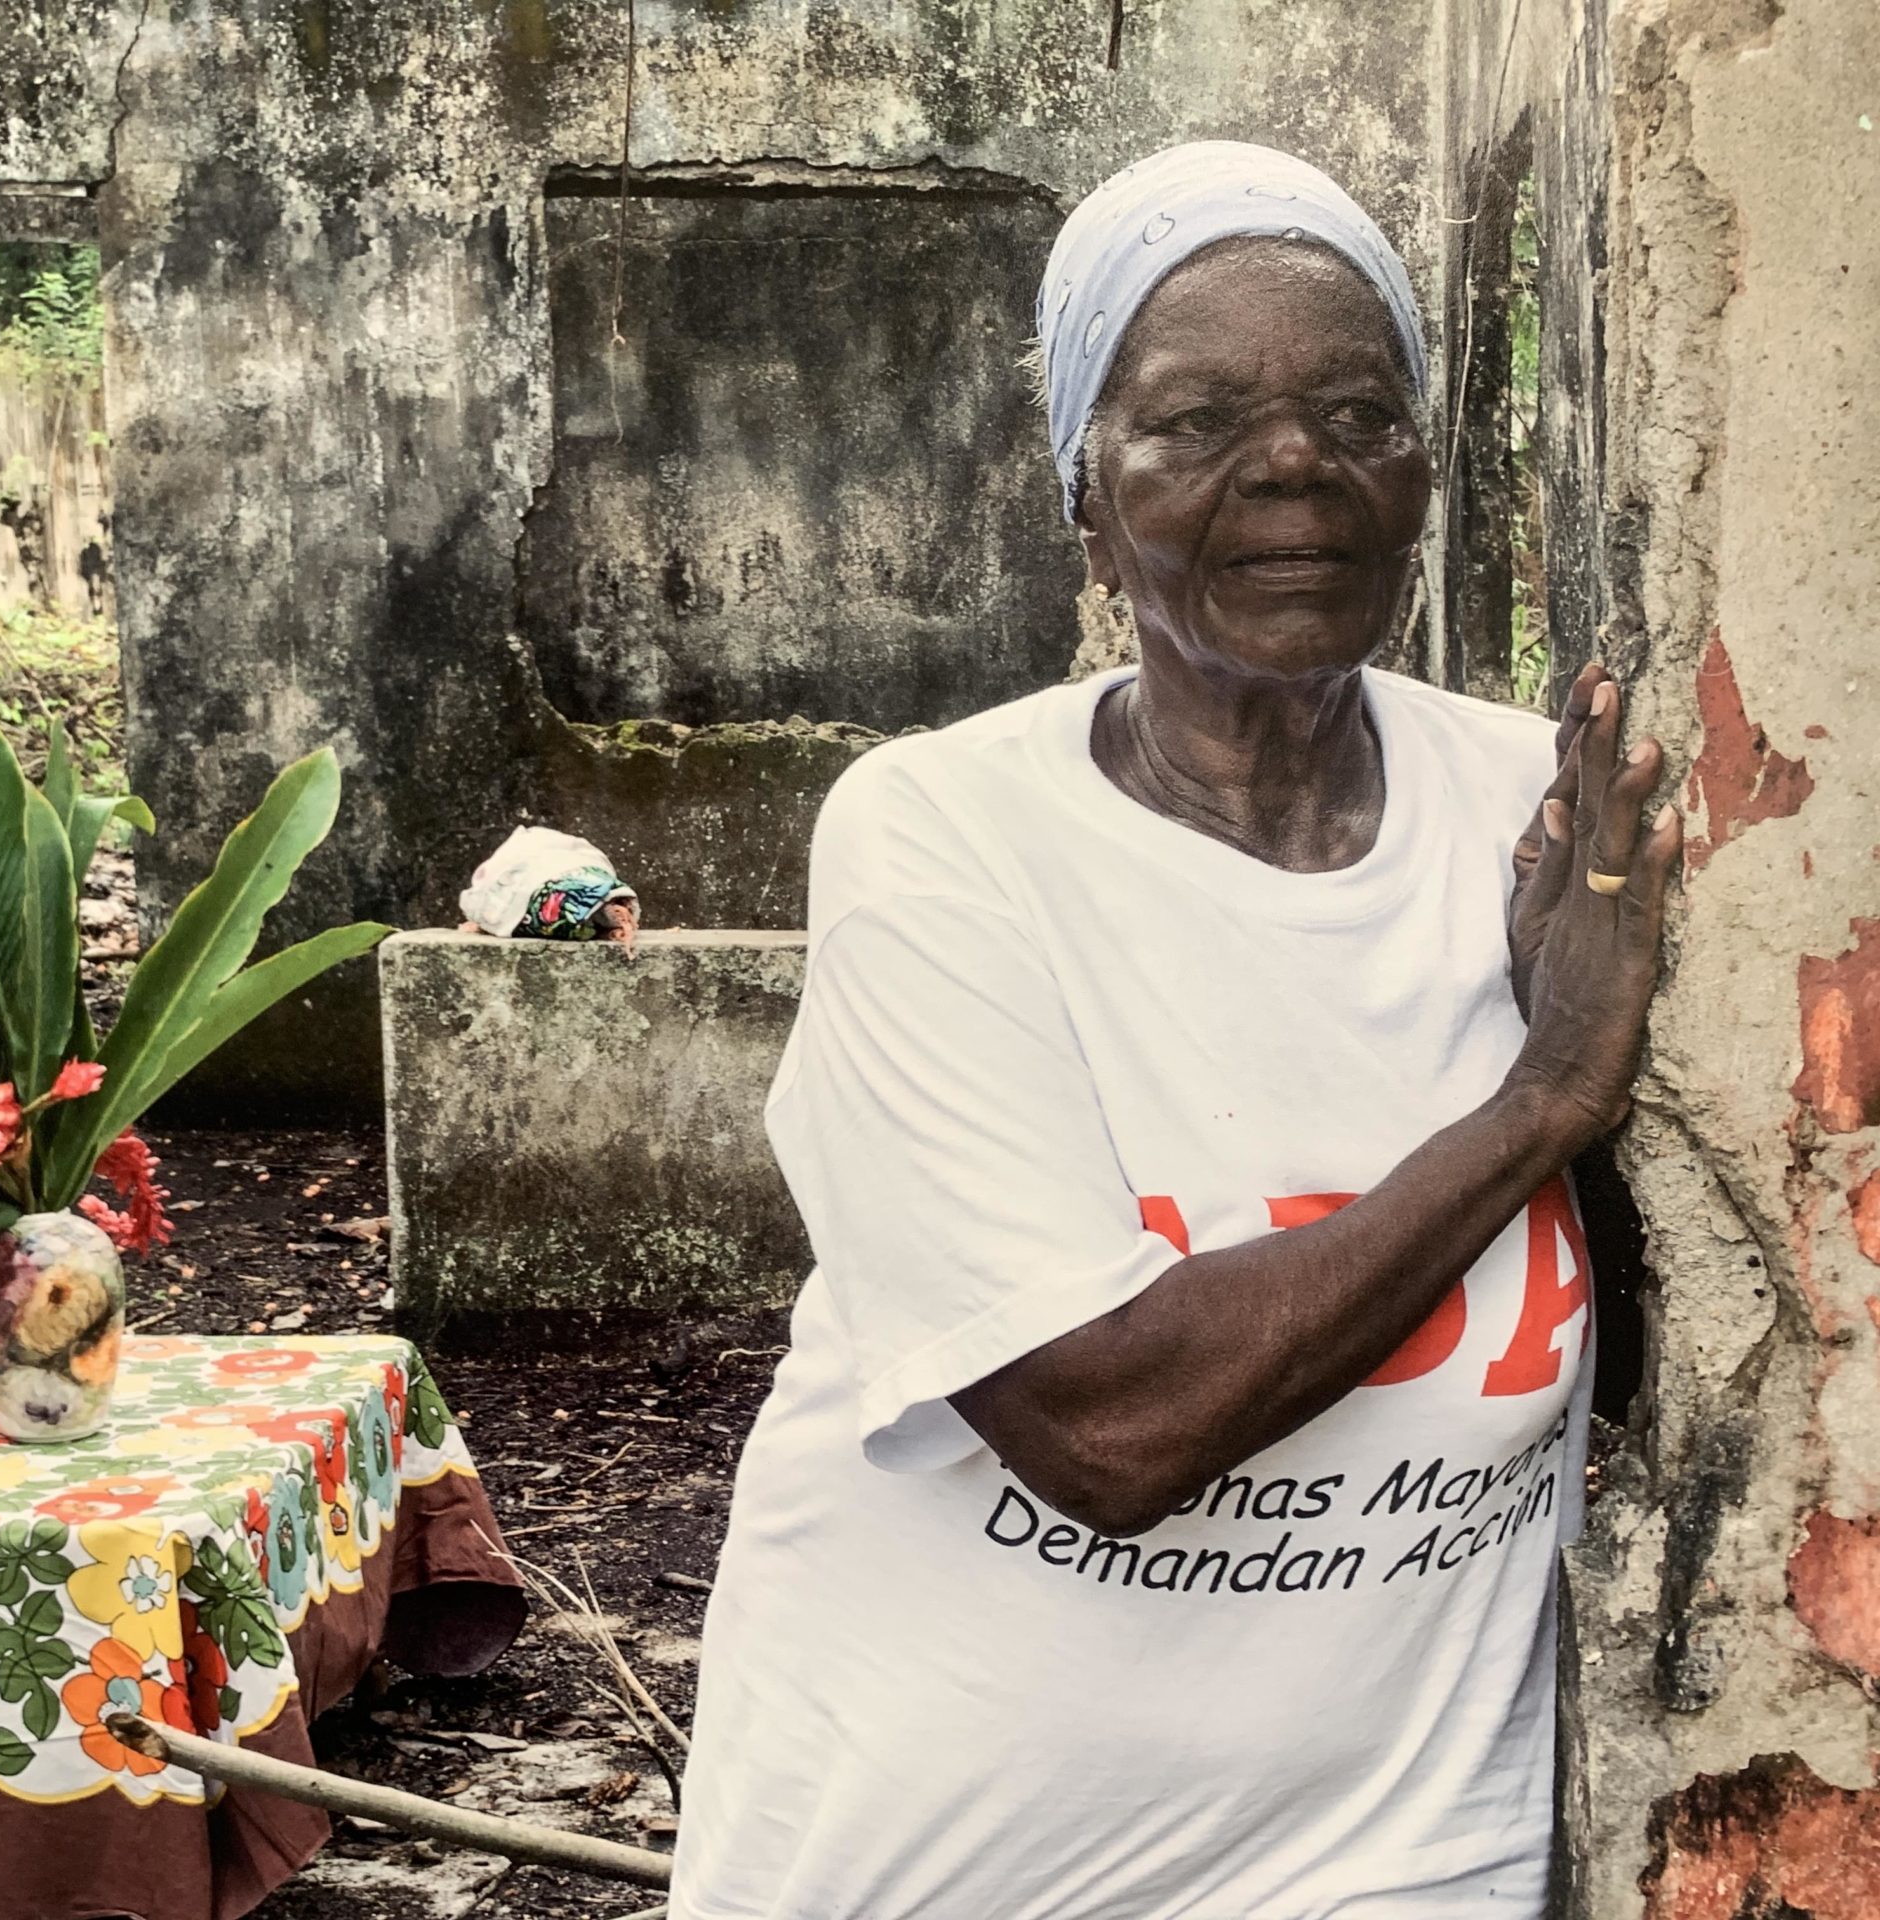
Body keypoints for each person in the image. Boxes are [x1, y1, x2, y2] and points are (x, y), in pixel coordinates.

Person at [672, 142, 1676, 1920]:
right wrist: (1537, 1107)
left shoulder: (1537, 806)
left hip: (1406, 1852)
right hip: (950, 1862)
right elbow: (1106, 1425)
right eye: (1196, 418)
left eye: (1356, 409)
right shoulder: (943, 839)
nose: (1291, 463)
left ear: (1428, 473)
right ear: (1083, 500)